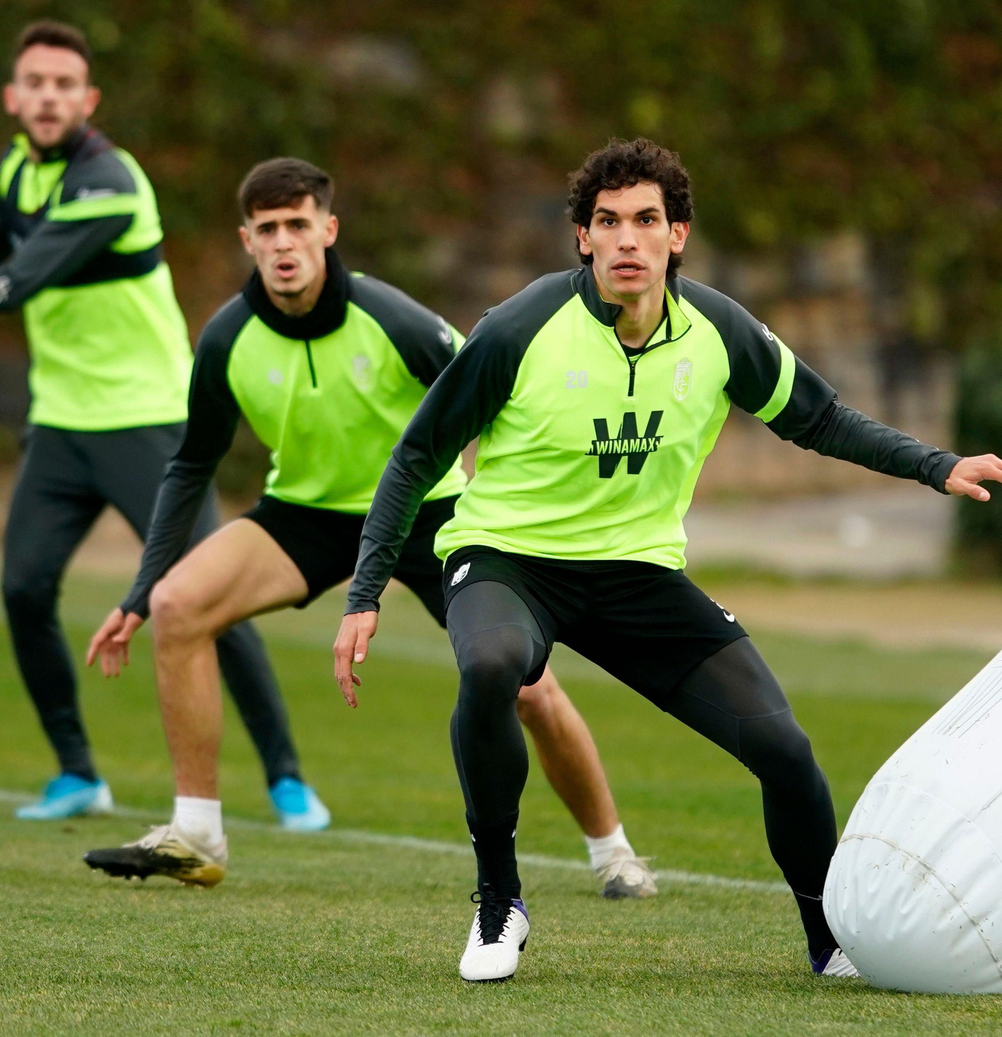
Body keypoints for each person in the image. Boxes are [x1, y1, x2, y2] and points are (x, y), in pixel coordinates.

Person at [333, 138, 1002, 982]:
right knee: (491, 666)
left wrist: (938, 464)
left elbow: (819, 420)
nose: (627, 239)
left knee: (785, 752)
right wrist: (365, 592)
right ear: (582, 239)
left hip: (638, 577)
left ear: (677, 236)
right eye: (608, 222)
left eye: (647, 220)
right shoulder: (518, 328)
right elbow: (416, 457)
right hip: (507, 561)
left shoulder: (718, 330)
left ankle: (830, 941)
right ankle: (498, 907)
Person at [78, 158, 653, 897]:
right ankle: (196, 834)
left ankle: (615, 855)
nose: (284, 243)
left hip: (430, 513)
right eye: (268, 230)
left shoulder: (400, 323)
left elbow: (500, 399)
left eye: (297, 225)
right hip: (306, 515)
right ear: (246, 240)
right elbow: (190, 467)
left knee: (526, 686)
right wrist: (137, 591)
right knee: (176, 607)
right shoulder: (225, 340)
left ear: (328, 229)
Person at [0, 21, 325, 829]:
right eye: (34, 84)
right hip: (61, 426)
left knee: (204, 602)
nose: (48, 96)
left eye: (63, 84)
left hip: (151, 423)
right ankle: (77, 772)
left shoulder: (106, 182)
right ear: (15, 98)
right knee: (21, 587)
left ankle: (288, 780)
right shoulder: (17, 170)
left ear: (88, 100)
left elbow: (11, 285)